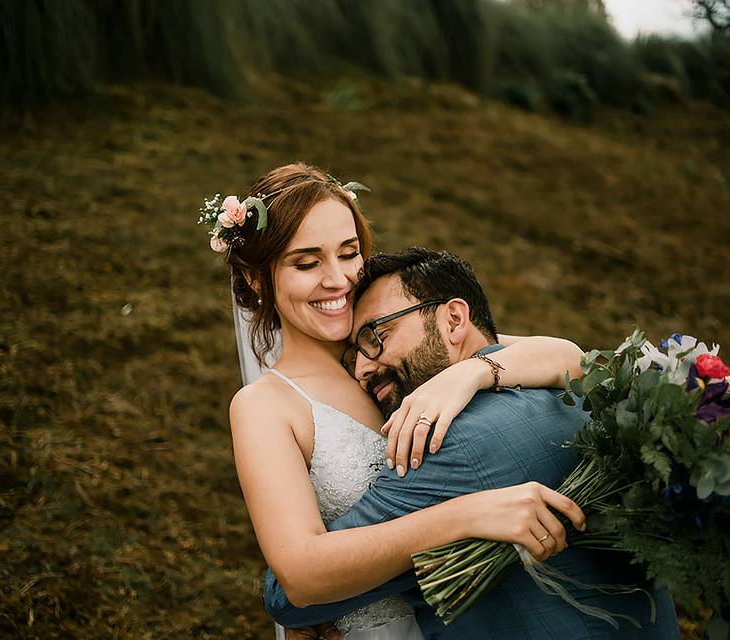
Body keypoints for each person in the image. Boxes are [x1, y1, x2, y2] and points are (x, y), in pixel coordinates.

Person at [216, 163, 587, 639]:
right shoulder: (265, 405)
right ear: (256, 279)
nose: (339, 280)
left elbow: (570, 358)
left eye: (349, 254)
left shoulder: (401, 351)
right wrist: (466, 515)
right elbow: (300, 576)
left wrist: (471, 374)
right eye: (307, 263)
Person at [263, 248, 681, 639]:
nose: (362, 369)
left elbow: (292, 595)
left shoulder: (445, 446)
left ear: (453, 320)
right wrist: (474, 371)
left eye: (376, 336)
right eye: (353, 354)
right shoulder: (586, 395)